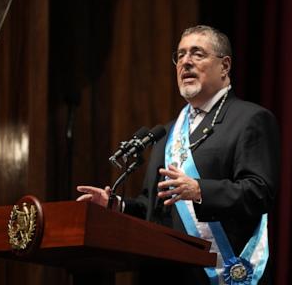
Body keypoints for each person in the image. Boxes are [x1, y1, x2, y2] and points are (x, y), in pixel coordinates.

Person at [77, 25, 280, 285]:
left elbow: (259, 192)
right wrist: (118, 204)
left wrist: (199, 190)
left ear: (225, 66)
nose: (185, 62)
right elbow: (154, 207)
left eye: (197, 54)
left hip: (218, 274)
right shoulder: (168, 132)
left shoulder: (250, 119)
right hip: (164, 274)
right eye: (180, 55)